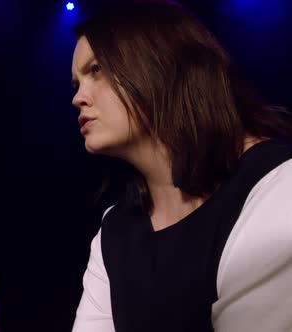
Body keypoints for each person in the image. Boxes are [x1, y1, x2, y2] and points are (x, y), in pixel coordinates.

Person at [70, 1, 292, 331]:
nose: (77, 97)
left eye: (97, 69)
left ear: (160, 62)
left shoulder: (276, 188)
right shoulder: (115, 230)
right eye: (76, 83)